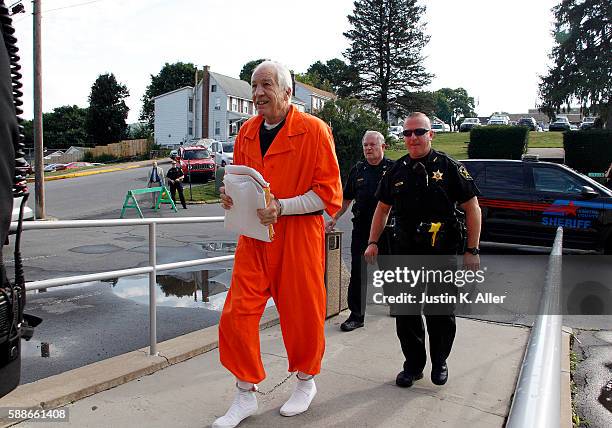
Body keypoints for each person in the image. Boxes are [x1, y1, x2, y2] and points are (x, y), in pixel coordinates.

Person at [214, 60, 342, 428]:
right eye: (253, 86)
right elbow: (240, 182)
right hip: (254, 238)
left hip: (298, 239)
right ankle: (244, 394)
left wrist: (283, 207)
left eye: (266, 85)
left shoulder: (315, 131)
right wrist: (229, 197)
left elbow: (327, 194)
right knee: (236, 316)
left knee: (302, 314)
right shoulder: (247, 133)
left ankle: (305, 381)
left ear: (287, 92)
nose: (257, 94)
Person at [365, 112, 481, 389]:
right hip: (404, 253)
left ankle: (439, 361)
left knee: (439, 312)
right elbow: (382, 209)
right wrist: (372, 242)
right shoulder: (396, 170)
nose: (413, 138)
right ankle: (413, 366)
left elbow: (472, 208)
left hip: (441, 253)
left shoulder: (449, 167)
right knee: (405, 313)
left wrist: (472, 250)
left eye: (419, 132)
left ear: (431, 134)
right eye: (407, 133)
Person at [325, 130, 394, 331]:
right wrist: (335, 217)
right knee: (358, 273)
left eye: (373, 144)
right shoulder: (358, 170)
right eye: (365, 145)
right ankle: (356, 316)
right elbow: (346, 198)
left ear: (383, 146)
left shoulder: (393, 169)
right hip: (362, 228)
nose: (368, 148)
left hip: (387, 230)